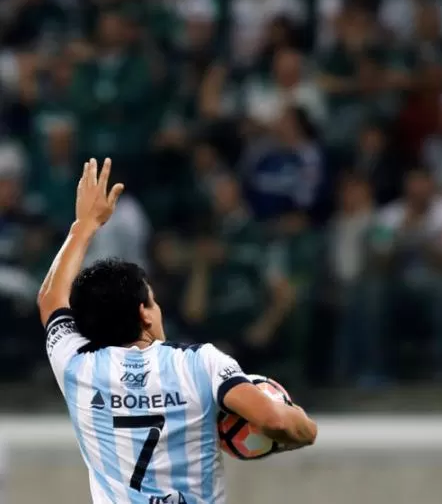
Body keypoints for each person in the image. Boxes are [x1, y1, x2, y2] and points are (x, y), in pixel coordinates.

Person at [36, 158, 317, 504]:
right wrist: (305, 429)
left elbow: (50, 298)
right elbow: (276, 421)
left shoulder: (75, 367)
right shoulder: (201, 363)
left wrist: (84, 225)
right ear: (144, 314)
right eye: (153, 301)